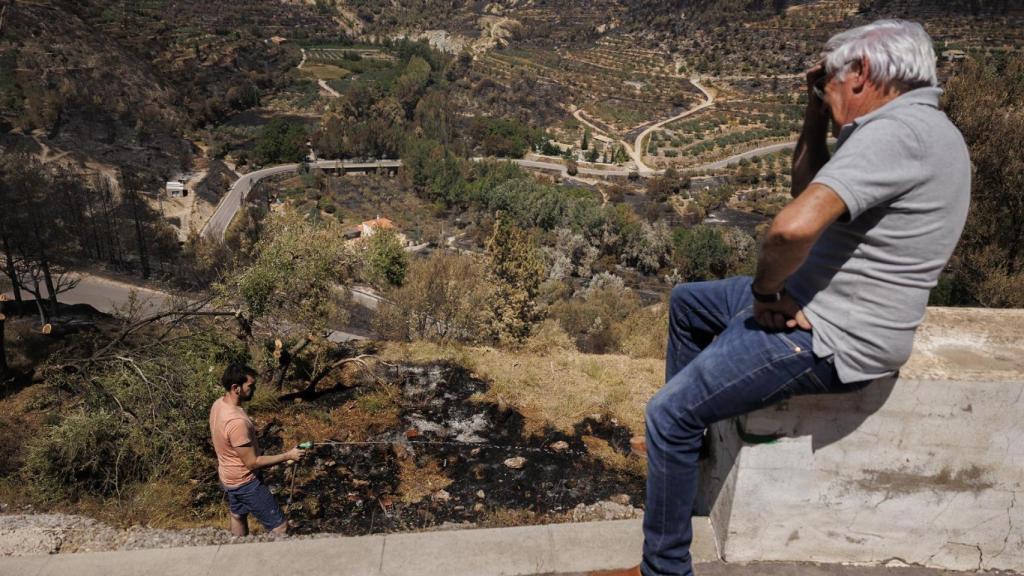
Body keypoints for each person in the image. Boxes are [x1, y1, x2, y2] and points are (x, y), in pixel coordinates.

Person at [596, 19, 971, 576]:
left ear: (863, 73)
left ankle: (665, 567)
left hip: (828, 336)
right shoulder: (911, 127)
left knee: (667, 414)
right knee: (690, 304)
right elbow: (808, 189)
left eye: (833, 81)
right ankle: (691, 457)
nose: (828, 89)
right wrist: (817, 110)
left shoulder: (899, 134)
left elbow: (790, 228)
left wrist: (767, 291)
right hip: (823, 306)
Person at [209, 363, 306, 536]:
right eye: (250, 386)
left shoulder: (218, 405)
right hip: (245, 482)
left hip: (228, 476)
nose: (253, 390)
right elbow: (253, 462)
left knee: (237, 515)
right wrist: (288, 455)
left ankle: (238, 553)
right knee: (280, 527)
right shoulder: (236, 422)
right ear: (235, 388)